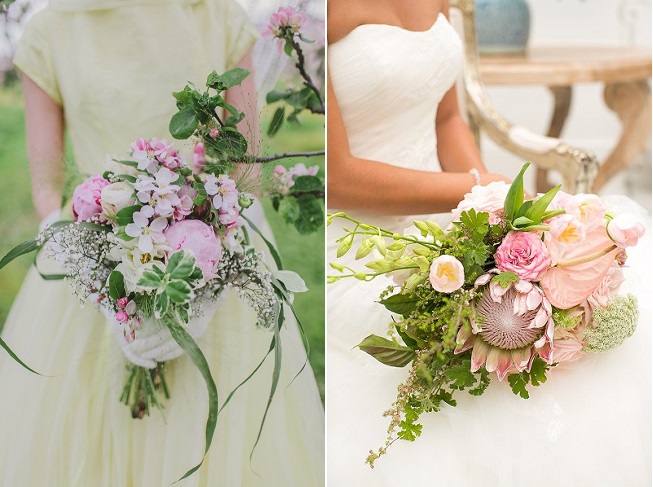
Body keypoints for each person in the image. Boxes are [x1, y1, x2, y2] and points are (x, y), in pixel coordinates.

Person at [326, 0, 651, 485]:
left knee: (579, 316)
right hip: (355, 247)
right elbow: (335, 174)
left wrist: (490, 211)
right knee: (474, 346)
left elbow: (447, 119)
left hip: (448, 220)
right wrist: (476, 186)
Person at [0, 0, 324, 485]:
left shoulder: (217, 15)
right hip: (96, 255)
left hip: (220, 247)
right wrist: (105, 287)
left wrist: (210, 266)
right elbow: (47, 184)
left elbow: (247, 165)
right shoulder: (51, 28)